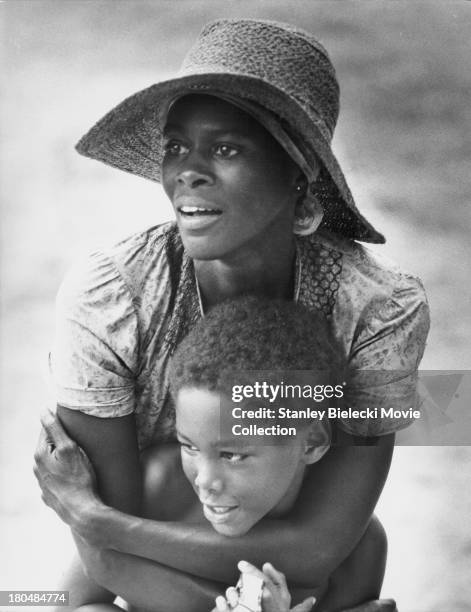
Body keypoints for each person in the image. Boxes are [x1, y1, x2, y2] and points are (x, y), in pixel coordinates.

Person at [35, 18, 427, 612]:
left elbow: (325, 545)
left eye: (225, 148)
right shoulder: (110, 296)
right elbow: (106, 560)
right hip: (147, 552)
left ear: (301, 178)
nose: (186, 171)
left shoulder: (376, 309)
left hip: (280, 549)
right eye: (175, 147)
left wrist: (91, 516)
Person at [36, 297, 394, 612]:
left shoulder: (355, 547)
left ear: (312, 443)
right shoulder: (159, 487)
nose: (205, 481)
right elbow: (58, 603)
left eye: (233, 455)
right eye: (189, 446)